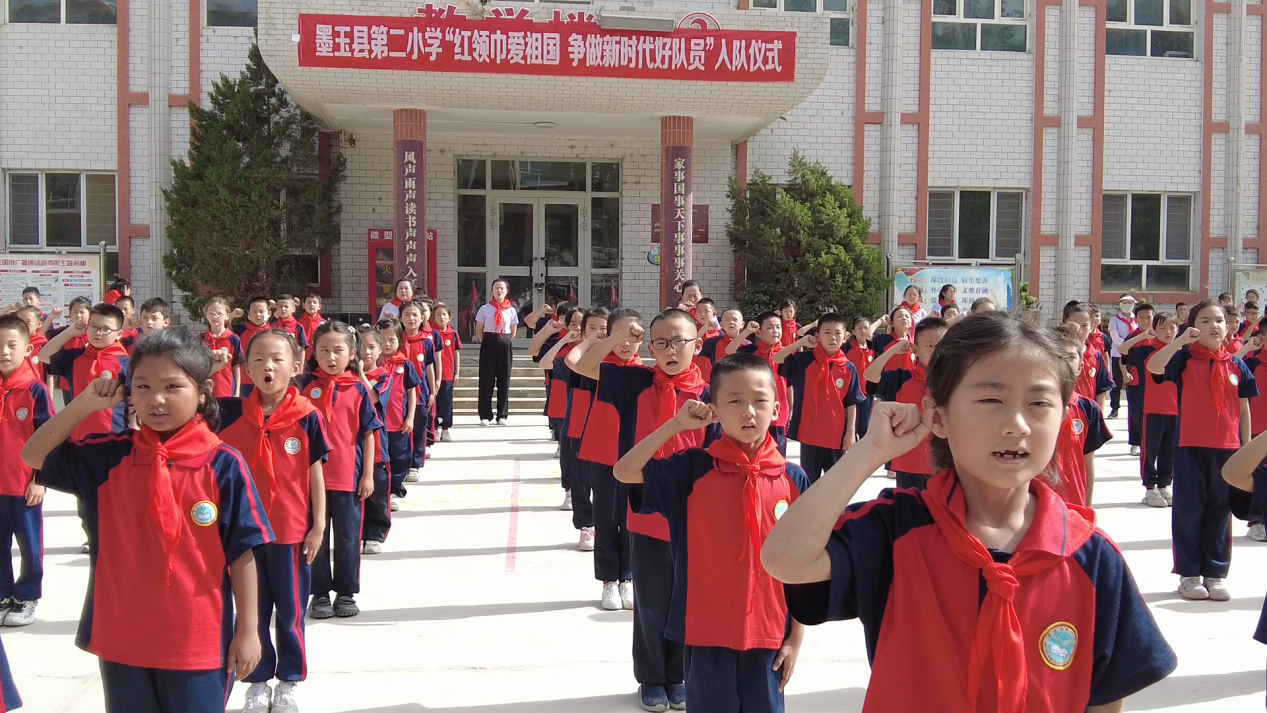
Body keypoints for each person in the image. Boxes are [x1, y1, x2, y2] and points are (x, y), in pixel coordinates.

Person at [766, 313, 1179, 711]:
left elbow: (1104, 695)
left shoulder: (1089, 556)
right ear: (938, 416)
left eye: (1039, 402)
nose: (1016, 424)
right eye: (990, 399)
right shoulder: (897, 530)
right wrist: (869, 452)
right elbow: (785, 558)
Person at [24, 328, 273, 713]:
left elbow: (242, 552)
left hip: (196, 638)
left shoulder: (222, 463)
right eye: (142, 386)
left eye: (172, 386)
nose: (156, 399)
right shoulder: (108, 457)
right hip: (122, 634)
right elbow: (33, 454)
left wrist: (248, 630)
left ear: (202, 391)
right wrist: (85, 403)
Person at [614, 354, 808, 713]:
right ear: (714, 410)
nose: (748, 411)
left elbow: (802, 566)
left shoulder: (793, 479)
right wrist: (676, 425)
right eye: (734, 401)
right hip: (706, 633)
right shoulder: (693, 469)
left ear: (777, 409)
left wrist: (795, 638)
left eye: (759, 400)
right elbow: (625, 470)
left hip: (769, 635)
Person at [569, 308, 713, 712]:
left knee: (687, 597)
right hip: (645, 505)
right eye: (661, 343)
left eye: (679, 341)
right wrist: (617, 339)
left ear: (697, 345)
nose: (671, 350)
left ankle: (678, 675)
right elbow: (582, 365)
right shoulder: (635, 381)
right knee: (651, 599)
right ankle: (651, 677)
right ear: (650, 347)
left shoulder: (712, 393)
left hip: (695, 511)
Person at [217, 329, 330, 713]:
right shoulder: (230, 414)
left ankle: (289, 680)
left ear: (295, 366)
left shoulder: (307, 416)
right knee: (252, 611)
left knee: (291, 611)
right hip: (245, 535)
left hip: (290, 531)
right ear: (246, 368)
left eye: (277, 359)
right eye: (259, 359)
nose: (268, 366)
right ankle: (257, 680)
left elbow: (315, 473)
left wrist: (318, 525)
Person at [1147, 300, 1258, 601]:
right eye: (1205, 320)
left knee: (1220, 513)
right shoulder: (1184, 359)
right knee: (1189, 511)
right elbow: (1154, 366)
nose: (1214, 326)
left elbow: (1244, 410)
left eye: (1219, 320)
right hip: (1190, 447)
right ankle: (1189, 575)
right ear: (1193, 326)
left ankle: (1215, 574)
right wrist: (1181, 340)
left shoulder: (1236, 364)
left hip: (1228, 451)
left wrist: (1246, 450)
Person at [297, 322, 383, 618]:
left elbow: (369, 432)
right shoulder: (303, 387)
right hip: (311, 480)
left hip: (348, 477)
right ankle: (319, 593)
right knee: (315, 539)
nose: (331, 357)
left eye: (338, 350)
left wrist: (368, 474)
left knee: (348, 538)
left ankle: (346, 593)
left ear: (352, 353)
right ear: (314, 352)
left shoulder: (358, 389)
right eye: (323, 350)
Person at [576, 308, 642, 612]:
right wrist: (615, 338)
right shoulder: (605, 368)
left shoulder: (647, 373)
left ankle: (627, 577)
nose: (626, 342)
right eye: (620, 334)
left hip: (636, 456)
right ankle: (608, 580)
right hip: (603, 454)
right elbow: (581, 364)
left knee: (631, 519)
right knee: (604, 518)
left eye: (633, 334)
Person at [0, 315, 52, 628]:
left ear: (27, 349)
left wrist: (39, 480)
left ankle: (28, 595)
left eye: (11, 345)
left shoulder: (35, 391)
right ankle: (3, 594)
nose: (4, 352)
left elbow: (49, 438)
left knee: (30, 545)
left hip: (23, 486)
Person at [775, 313, 866, 483]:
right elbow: (777, 357)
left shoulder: (848, 367)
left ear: (845, 336)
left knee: (835, 483)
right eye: (827, 332)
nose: (833, 337)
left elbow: (852, 401)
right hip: (810, 434)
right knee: (809, 482)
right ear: (818, 336)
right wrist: (801, 342)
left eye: (837, 333)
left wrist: (851, 432)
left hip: (836, 435)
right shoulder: (804, 361)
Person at [863, 317, 949, 490]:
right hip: (909, 464)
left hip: (945, 464)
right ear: (916, 349)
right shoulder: (902, 378)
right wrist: (893, 350)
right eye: (929, 346)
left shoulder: (955, 381)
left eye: (941, 345)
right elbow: (870, 375)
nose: (936, 351)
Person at [41, 303, 130, 440]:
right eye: (93, 326)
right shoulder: (75, 357)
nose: (98, 333)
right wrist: (69, 332)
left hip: (114, 437)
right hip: (78, 436)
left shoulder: (125, 363)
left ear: (118, 334)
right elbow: (43, 355)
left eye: (105, 329)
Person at [1121, 313, 1180, 509]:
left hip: (1175, 409)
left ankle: (1164, 485)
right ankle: (1150, 488)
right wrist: (1143, 335)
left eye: (1172, 328)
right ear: (1154, 329)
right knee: (1150, 449)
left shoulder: (1180, 353)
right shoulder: (1145, 349)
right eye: (1162, 328)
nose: (1168, 332)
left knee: (1169, 450)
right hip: (1151, 407)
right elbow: (1123, 349)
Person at [1049, 327, 1113, 507]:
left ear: (1080, 366)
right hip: (1036, 507)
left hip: (1074, 506)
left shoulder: (1088, 409)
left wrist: (1087, 507)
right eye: (1057, 356)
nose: (1063, 362)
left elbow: (1087, 463)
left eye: (1070, 357)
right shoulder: (1029, 407)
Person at [539, 309, 588, 522]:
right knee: (570, 457)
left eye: (583, 324)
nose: (578, 328)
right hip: (570, 411)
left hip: (594, 414)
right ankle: (570, 491)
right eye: (573, 323)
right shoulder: (566, 353)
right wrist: (564, 341)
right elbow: (544, 363)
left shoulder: (601, 353)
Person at [371, 319, 421, 525]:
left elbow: (412, 392)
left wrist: (410, 417)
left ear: (400, 340)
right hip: (377, 424)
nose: (386, 344)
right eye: (382, 339)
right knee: (381, 461)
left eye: (391, 339)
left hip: (398, 422)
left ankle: (395, 491)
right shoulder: (373, 365)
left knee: (399, 458)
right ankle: (381, 491)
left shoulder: (405, 364)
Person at [728, 312, 792, 453]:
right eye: (770, 327)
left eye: (778, 327)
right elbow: (730, 350)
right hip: (754, 411)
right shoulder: (751, 351)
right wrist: (747, 331)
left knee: (777, 453)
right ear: (758, 332)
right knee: (754, 450)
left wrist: (791, 408)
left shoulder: (786, 353)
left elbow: (789, 384)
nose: (775, 331)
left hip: (779, 412)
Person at [400, 301, 438, 480]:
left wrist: (432, 391)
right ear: (400, 318)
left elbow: (429, 368)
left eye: (415, 314)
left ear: (422, 318)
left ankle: (415, 465)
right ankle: (401, 464)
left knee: (419, 430)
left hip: (420, 393)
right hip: (399, 394)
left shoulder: (426, 342)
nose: (411, 318)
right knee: (401, 430)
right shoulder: (396, 341)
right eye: (407, 315)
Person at [475, 279, 518, 426]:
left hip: (504, 342)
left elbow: (513, 331)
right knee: (486, 380)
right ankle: (485, 415)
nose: (499, 291)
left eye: (502, 288)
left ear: (507, 291)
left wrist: (503, 341)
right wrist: (488, 341)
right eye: (496, 288)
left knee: (504, 380)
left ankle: (502, 415)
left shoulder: (511, 310)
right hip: (488, 342)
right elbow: (479, 330)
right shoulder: (485, 309)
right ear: (492, 291)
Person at [1120, 302, 1156, 455]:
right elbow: (1122, 357)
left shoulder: (1158, 336)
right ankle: (1136, 443)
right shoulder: (1132, 337)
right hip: (1136, 380)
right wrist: (1124, 373)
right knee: (1135, 411)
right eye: (1141, 317)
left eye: (1149, 317)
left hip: (1154, 381)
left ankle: (1149, 442)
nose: (1145, 320)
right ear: (1136, 319)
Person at [1063, 303, 1114, 411]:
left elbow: (1101, 390)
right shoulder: (1056, 352)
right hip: (1064, 412)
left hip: (1087, 412)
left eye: (1084, 325)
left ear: (1091, 327)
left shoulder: (1096, 355)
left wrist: (1099, 414)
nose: (1079, 330)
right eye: (1074, 325)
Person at [202, 297, 245, 398]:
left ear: (227, 316)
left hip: (227, 389)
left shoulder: (233, 339)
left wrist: (237, 392)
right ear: (206, 315)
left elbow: (236, 366)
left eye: (219, 313)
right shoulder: (201, 339)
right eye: (211, 313)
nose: (215, 316)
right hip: (206, 391)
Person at [432, 303, 462, 443]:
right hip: (434, 374)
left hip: (448, 374)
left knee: (447, 402)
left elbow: (456, 354)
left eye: (444, 314)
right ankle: (435, 428)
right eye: (438, 315)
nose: (441, 317)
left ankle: (445, 428)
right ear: (434, 318)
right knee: (435, 402)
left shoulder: (453, 333)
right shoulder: (432, 333)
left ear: (449, 317)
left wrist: (457, 372)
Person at [233, 297, 274, 397]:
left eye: (261, 311)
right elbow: (220, 328)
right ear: (249, 314)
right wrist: (232, 316)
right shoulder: (239, 330)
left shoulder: (275, 332)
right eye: (254, 311)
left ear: (269, 313)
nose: (258, 314)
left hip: (268, 379)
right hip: (245, 381)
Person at [843, 317, 876, 438]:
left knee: (865, 427)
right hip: (851, 394)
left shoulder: (873, 349)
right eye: (859, 328)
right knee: (852, 426)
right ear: (853, 331)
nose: (863, 331)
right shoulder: (847, 348)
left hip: (867, 394)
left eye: (866, 328)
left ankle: (863, 449)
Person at [1108, 296, 1138, 421]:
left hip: (1135, 354)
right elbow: (1115, 338)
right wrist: (1128, 346)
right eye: (1124, 302)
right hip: (1118, 354)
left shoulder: (1137, 319)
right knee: (1117, 383)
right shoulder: (1114, 320)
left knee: (1134, 382)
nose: (1127, 304)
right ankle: (1114, 408)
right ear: (1119, 304)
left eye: (1129, 302)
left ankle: (1134, 408)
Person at [696, 307, 742, 383]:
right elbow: (693, 345)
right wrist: (704, 328)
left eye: (735, 319)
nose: (731, 322)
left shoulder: (748, 345)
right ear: (721, 324)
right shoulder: (714, 342)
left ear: (742, 324)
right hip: (719, 383)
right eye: (727, 319)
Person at [871, 306, 917, 373]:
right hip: (890, 379)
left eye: (907, 316)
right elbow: (866, 334)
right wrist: (880, 320)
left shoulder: (915, 343)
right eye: (899, 316)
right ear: (892, 323)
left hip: (911, 379)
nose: (904, 318)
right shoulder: (885, 339)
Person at [298, 294, 327, 361]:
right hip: (301, 357)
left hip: (319, 357)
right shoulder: (297, 323)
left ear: (319, 306)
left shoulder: (324, 324)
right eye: (309, 302)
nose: (311, 305)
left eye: (314, 302)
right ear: (303, 305)